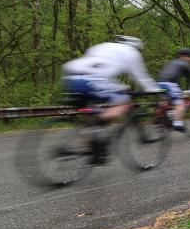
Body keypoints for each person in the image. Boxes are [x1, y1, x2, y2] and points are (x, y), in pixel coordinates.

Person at [61, 35, 161, 163]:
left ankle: (94, 151)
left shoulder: (102, 46)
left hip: (71, 77)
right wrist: (154, 90)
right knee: (124, 104)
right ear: (136, 46)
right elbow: (141, 77)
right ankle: (96, 126)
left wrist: (120, 86)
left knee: (89, 116)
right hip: (92, 80)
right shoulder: (132, 52)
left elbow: (102, 69)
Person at [156, 48, 190, 131]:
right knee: (179, 103)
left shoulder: (171, 62)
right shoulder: (184, 64)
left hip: (158, 83)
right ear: (186, 56)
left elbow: (174, 77)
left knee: (166, 100)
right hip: (170, 83)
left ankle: (160, 116)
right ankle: (178, 124)